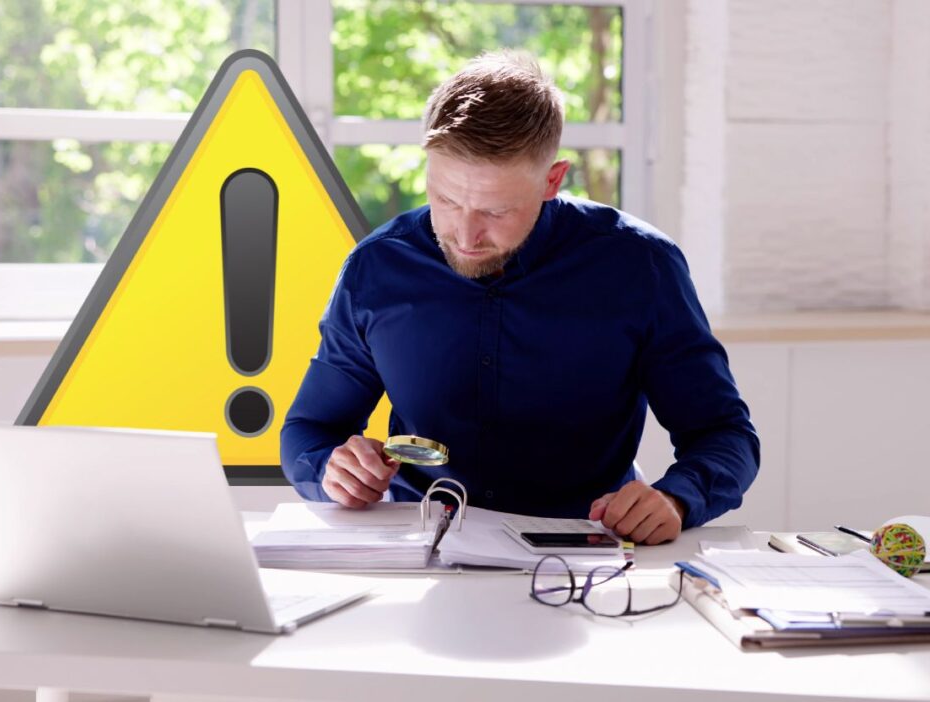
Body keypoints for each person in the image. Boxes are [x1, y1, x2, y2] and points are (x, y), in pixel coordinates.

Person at [281, 51, 759, 544]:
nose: (465, 234)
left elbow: (724, 434)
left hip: (585, 558)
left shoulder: (641, 268)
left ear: (553, 180)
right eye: (445, 199)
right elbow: (310, 429)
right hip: (421, 554)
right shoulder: (376, 269)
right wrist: (329, 470)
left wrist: (678, 498)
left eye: (496, 210)